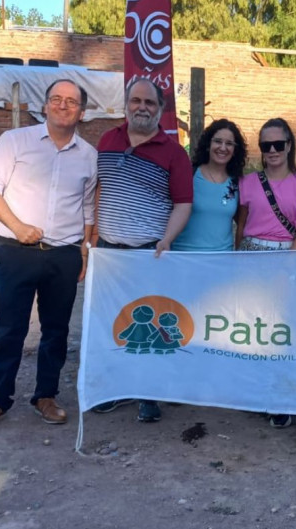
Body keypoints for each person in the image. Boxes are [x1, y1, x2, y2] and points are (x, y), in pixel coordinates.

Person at [0, 79, 98, 430]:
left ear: (82, 113)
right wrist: (19, 225)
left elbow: (87, 208)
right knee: (9, 328)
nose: (63, 105)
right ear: (44, 106)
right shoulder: (14, 141)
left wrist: (84, 250)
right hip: (16, 252)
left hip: (64, 255)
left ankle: (46, 396)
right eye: (56, 98)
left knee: (56, 331)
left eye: (71, 101)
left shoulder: (88, 155)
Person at [90, 76, 194, 423]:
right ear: (126, 104)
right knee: (109, 321)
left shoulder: (174, 153)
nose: (142, 108)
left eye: (150, 103)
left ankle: (148, 394)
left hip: (150, 252)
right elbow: (99, 191)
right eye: (136, 101)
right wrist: (91, 238)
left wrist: (166, 239)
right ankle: (113, 389)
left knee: (148, 328)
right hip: (108, 251)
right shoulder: (107, 140)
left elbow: (183, 204)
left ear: (161, 110)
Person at [236, 117, 296, 428]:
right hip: (251, 258)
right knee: (253, 329)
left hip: (287, 259)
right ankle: (257, 390)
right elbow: (241, 226)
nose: (272, 151)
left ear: (289, 146)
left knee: (281, 332)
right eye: (266, 145)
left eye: (278, 144)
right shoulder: (247, 183)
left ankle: (280, 396)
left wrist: (287, 266)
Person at [172, 119, 247, 252]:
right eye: (218, 141)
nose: (223, 148)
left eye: (229, 143)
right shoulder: (188, 175)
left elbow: (242, 223)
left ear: (235, 149)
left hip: (222, 263)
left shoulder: (238, 183)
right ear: (208, 144)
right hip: (184, 260)